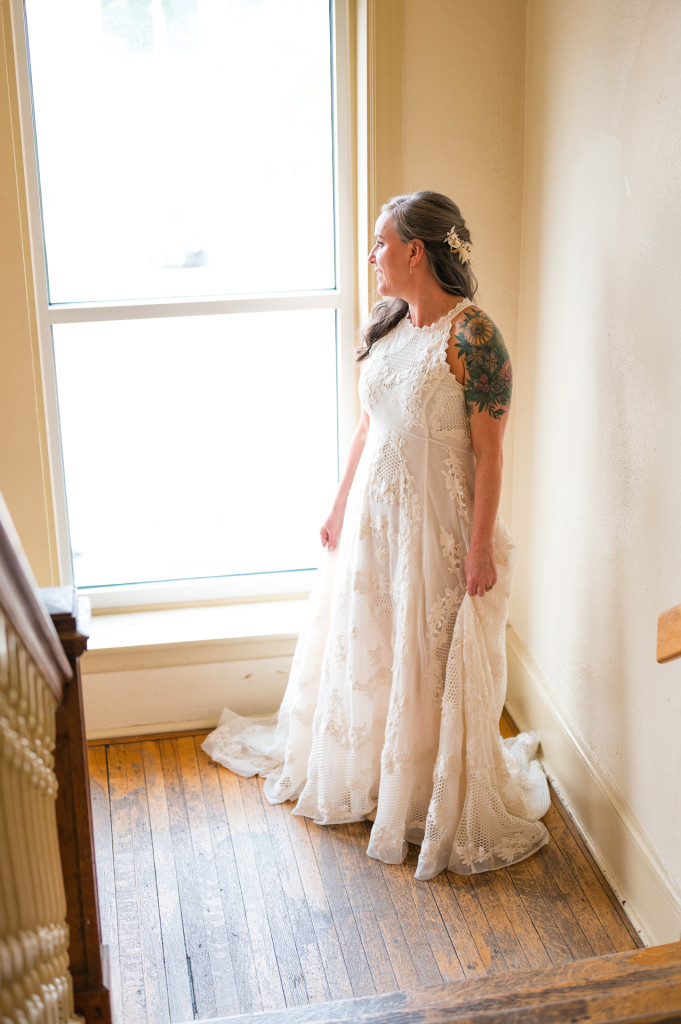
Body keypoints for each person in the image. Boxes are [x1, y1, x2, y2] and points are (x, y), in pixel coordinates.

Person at [203, 190, 550, 878]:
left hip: (436, 528)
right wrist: (337, 507)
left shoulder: (472, 336)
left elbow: (490, 454)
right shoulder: (388, 321)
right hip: (375, 519)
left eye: (379, 244)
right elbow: (369, 424)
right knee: (372, 644)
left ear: (415, 251)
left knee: (423, 655)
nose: (371, 257)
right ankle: (368, 774)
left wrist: (478, 548)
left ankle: (420, 792)